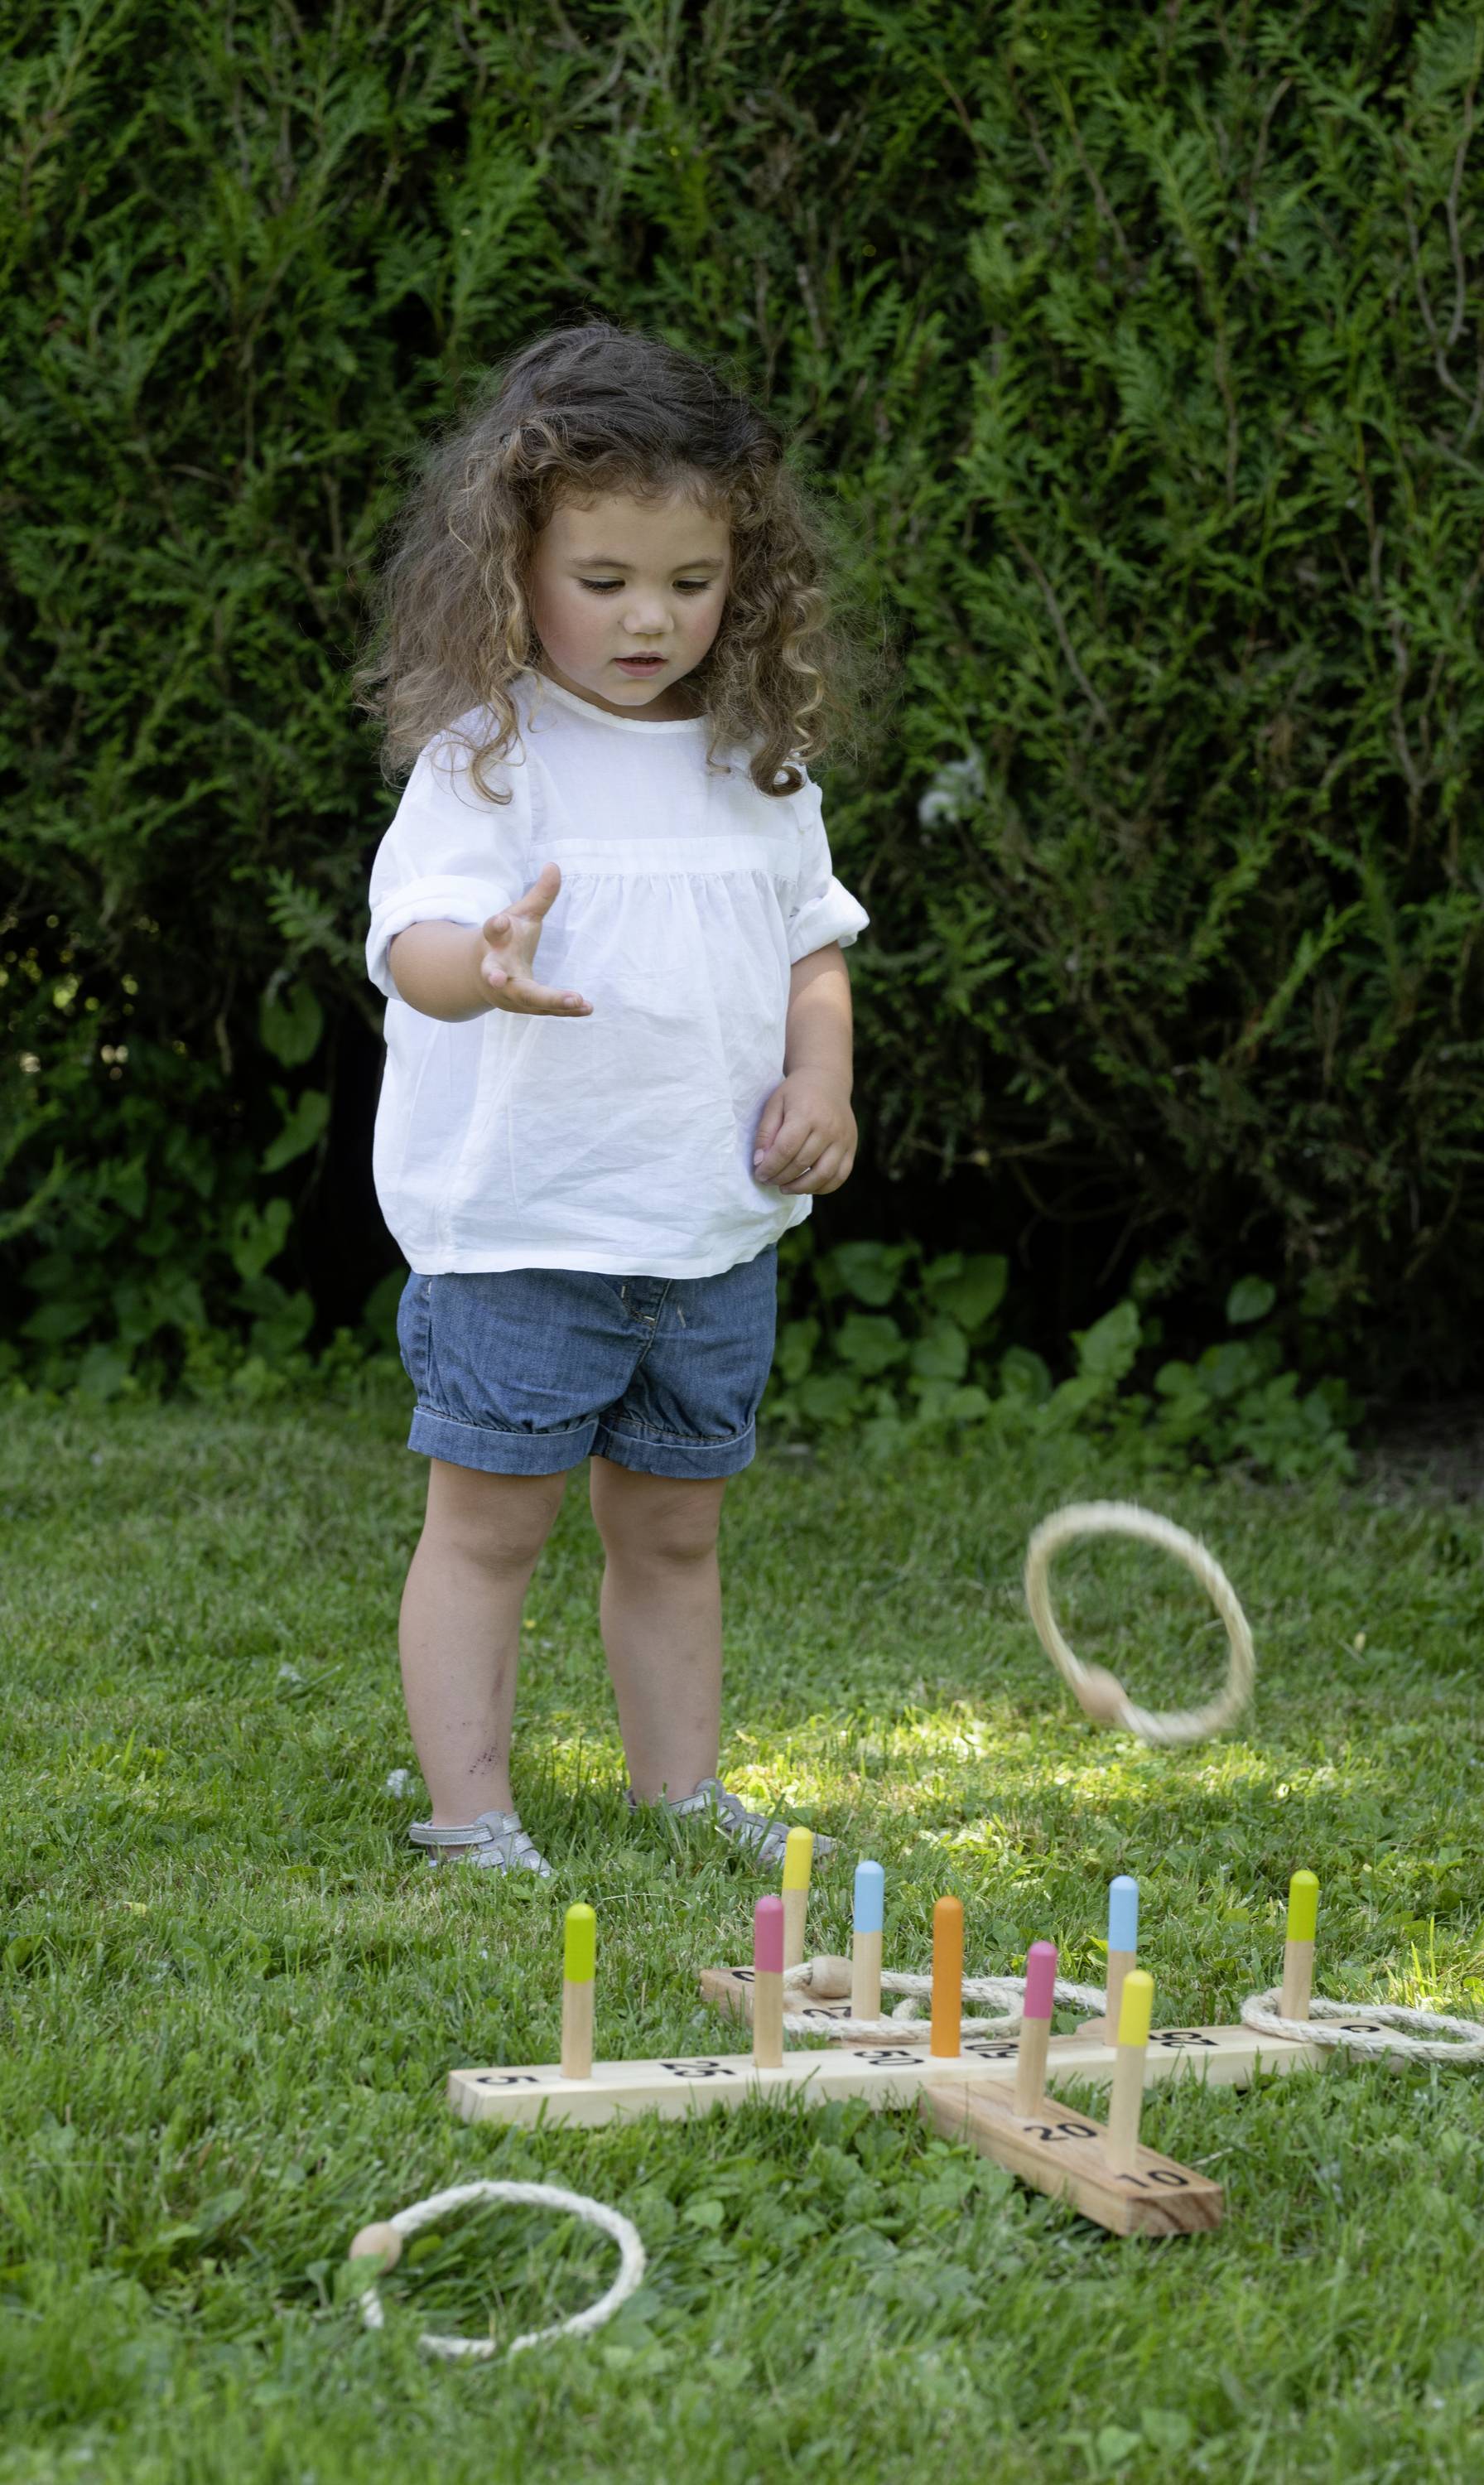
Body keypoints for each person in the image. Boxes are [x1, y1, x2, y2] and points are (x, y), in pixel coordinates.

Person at [354, 319, 882, 1875]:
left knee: (673, 1531)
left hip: (707, 1231)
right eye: (605, 583)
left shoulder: (756, 764)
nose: (652, 619)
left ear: (748, 577)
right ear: (511, 567)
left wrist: (823, 1076)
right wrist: (484, 967)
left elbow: (814, 945)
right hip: (524, 1225)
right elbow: (412, 947)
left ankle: (679, 1791)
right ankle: (469, 1814)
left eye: (693, 582)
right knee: (493, 1528)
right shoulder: (486, 761)